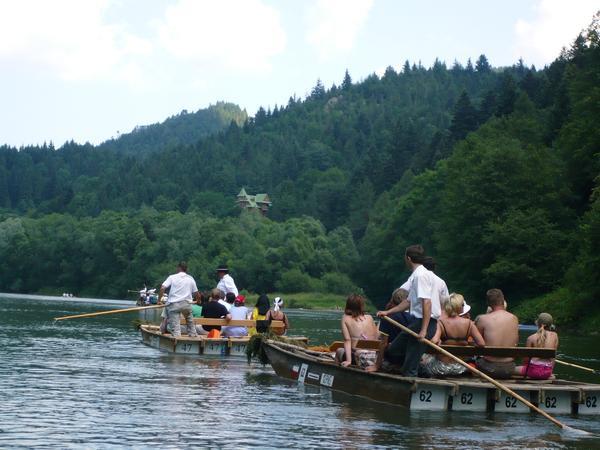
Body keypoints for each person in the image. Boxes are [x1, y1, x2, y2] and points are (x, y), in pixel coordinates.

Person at [378, 245, 442, 377]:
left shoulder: (421, 276)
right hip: (418, 323)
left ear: (408, 258)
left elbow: (427, 302)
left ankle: (412, 382)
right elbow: (408, 302)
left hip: (424, 323)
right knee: (393, 350)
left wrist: (423, 330)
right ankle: (416, 365)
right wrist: (388, 312)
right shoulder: (417, 275)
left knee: (409, 368)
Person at [420, 293, 485, 377]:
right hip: (460, 368)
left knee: (422, 363)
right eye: (462, 305)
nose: (463, 306)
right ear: (458, 307)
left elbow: (434, 341)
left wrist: (439, 341)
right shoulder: (469, 323)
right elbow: (481, 343)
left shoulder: (441, 323)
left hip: (441, 368)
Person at [475, 288, 519, 379]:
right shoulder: (514, 319)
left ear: (488, 303)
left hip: (489, 368)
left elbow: (477, 342)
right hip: (509, 368)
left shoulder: (483, 319)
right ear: (503, 300)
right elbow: (516, 342)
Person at [335, 294, 381, 372]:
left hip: (360, 357)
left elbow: (347, 340)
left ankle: (337, 376)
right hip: (375, 357)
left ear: (348, 305)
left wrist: (348, 361)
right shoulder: (370, 317)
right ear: (361, 306)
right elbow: (376, 337)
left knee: (338, 351)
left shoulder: (345, 318)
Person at [159, 261, 199, 338]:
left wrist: (159, 300)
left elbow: (162, 288)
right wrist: (198, 300)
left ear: (179, 268)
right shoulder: (190, 278)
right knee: (190, 322)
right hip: (186, 304)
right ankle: (193, 335)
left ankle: (177, 338)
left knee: (175, 328)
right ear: (186, 269)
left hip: (174, 305)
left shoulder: (172, 277)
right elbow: (197, 293)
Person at [514, 313, 558, 380]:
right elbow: (553, 357)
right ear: (551, 324)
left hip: (533, 372)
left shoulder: (531, 338)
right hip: (547, 372)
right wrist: (550, 372)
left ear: (537, 323)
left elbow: (526, 360)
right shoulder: (555, 336)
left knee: (511, 370)